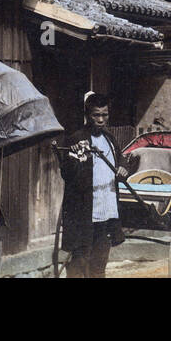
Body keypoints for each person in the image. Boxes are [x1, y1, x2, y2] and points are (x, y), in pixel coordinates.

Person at [57, 93, 131, 278]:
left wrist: (122, 166)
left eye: (104, 115)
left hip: (107, 208)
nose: (100, 120)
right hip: (86, 209)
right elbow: (66, 174)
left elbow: (121, 157)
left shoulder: (109, 138)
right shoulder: (77, 139)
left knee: (100, 261)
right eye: (95, 115)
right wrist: (74, 156)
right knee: (80, 259)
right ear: (87, 115)